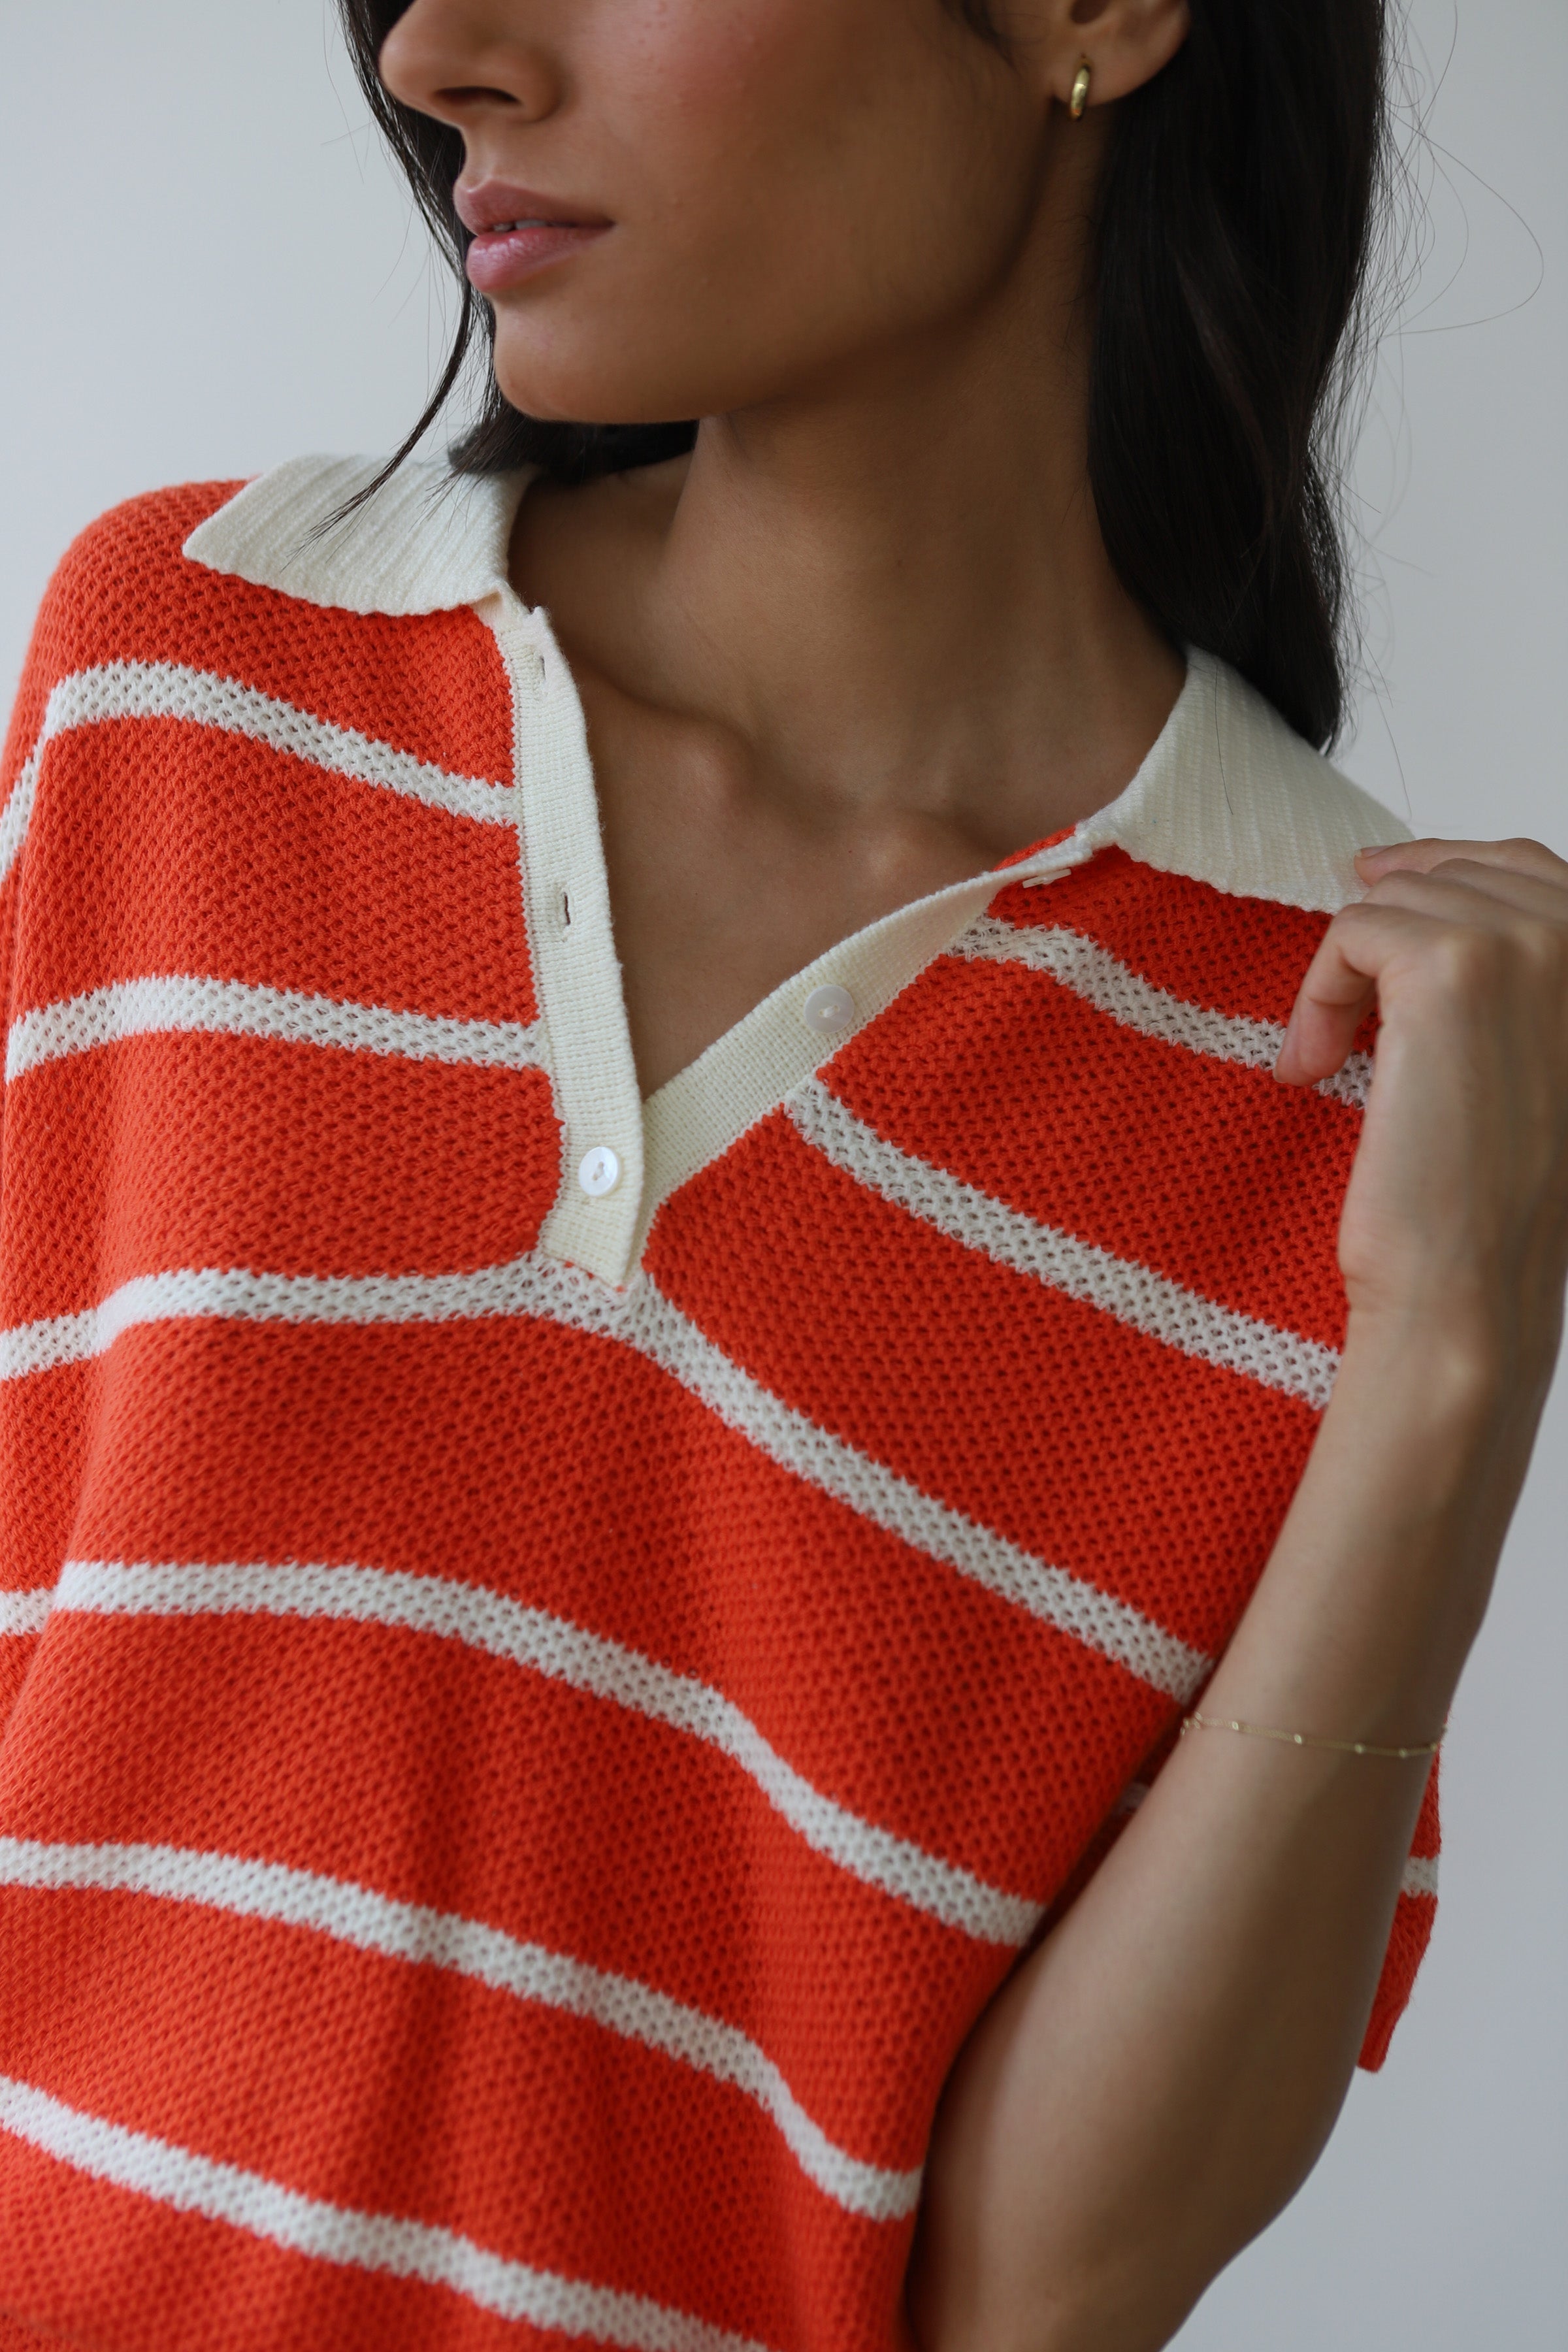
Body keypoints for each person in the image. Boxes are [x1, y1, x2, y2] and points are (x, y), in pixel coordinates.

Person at [0, 0, 1563, 2346]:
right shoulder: (194, 678)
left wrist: (1457, 1349)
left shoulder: (1358, 1059)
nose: (438, 55)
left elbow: (1038, 2299)